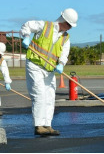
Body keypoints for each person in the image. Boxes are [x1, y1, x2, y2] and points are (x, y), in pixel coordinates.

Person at [20, 8, 78, 136]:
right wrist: (26, 36)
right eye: (69, 25)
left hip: (50, 69)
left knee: (50, 97)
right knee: (39, 94)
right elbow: (27, 25)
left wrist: (61, 64)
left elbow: (64, 53)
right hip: (35, 65)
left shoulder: (65, 37)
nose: (69, 28)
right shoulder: (45, 26)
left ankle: (47, 125)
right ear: (63, 20)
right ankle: (38, 126)